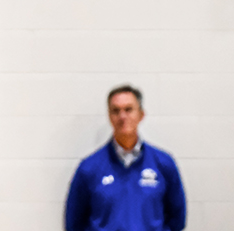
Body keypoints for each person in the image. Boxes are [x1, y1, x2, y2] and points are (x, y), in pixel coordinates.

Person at [65, 85, 187, 231]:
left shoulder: (164, 164)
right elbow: (73, 224)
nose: (122, 116)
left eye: (128, 110)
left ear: (141, 115)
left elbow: (177, 219)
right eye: (116, 111)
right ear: (110, 116)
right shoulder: (89, 168)